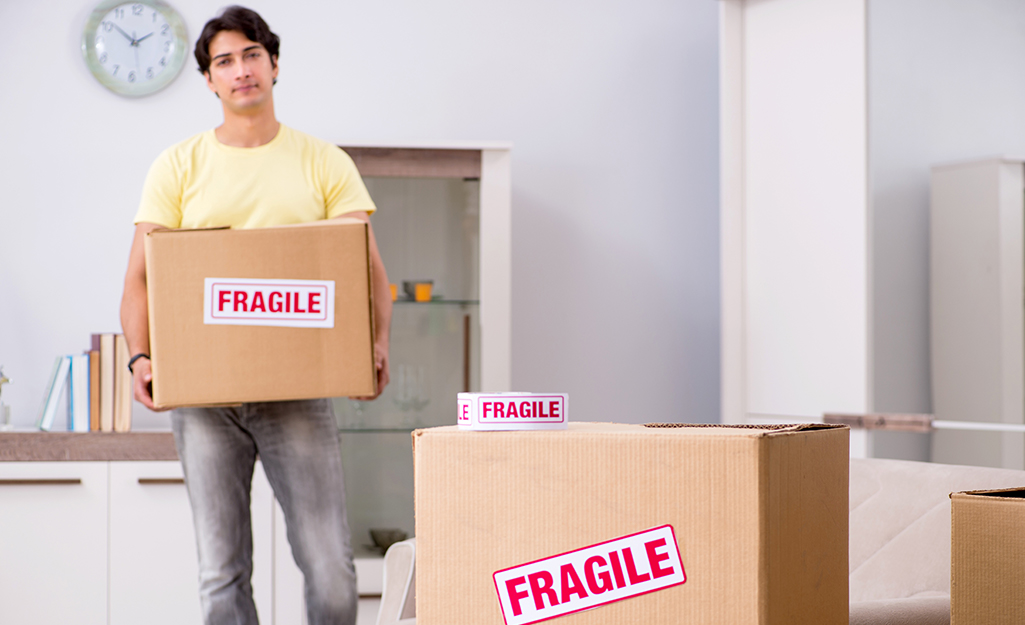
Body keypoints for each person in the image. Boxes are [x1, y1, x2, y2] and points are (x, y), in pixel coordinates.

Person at [119, 6, 391, 624]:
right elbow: (138, 280)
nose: (240, 70)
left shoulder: (323, 161)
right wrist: (140, 355)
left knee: (330, 571)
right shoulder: (177, 166)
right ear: (209, 80)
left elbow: (364, 272)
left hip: (298, 393)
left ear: (273, 65)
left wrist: (373, 345)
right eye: (224, 61)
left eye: (251, 55)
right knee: (221, 574)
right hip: (203, 400)